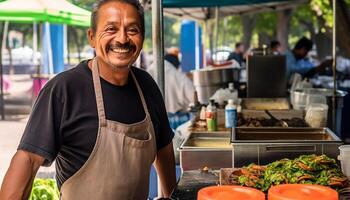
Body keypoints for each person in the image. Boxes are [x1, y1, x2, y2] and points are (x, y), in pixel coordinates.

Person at [0, 0, 176, 199]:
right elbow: (28, 159)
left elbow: (164, 148)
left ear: (142, 38)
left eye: (132, 30)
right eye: (111, 29)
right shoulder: (64, 90)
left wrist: (171, 195)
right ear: (92, 37)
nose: (122, 39)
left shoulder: (147, 86)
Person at [147, 47, 195, 129]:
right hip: (177, 120)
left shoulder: (148, 72)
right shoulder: (179, 76)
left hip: (153, 120)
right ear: (176, 65)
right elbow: (193, 97)